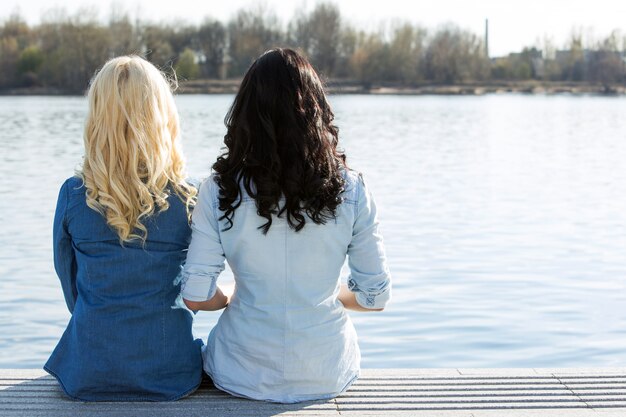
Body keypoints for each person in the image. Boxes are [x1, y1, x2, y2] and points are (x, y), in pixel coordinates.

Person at [179, 48, 391, 403]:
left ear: (245, 113)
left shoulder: (217, 190)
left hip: (240, 371)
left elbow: (196, 297)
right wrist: (325, 293)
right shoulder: (352, 189)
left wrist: (232, 295)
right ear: (317, 111)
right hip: (327, 371)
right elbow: (375, 298)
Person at [44, 56, 203, 401]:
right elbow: (198, 284)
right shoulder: (190, 196)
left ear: (98, 117)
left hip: (88, 368)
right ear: (163, 116)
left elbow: (70, 286)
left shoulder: (73, 195)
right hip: (169, 371)